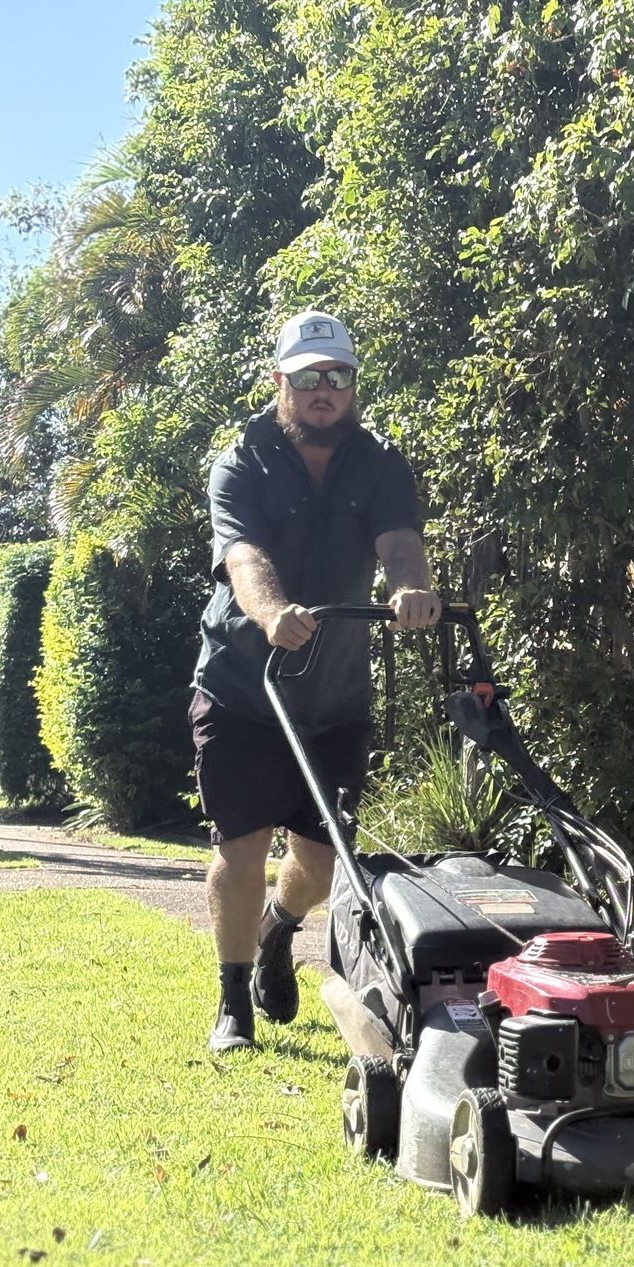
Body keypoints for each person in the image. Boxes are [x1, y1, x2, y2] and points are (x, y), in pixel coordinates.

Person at [191, 310, 441, 1053]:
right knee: (242, 846)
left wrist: (411, 589)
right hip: (243, 685)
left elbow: (399, 543)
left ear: (353, 386)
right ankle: (232, 1002)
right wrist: (271, 614)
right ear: (282, 384)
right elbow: (243, 559)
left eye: (336, 378)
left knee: (322, 857)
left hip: (333, 695)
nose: (323, 391)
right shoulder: (243, 459)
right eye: (308, 379)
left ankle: (277, 927)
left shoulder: (380, 461)